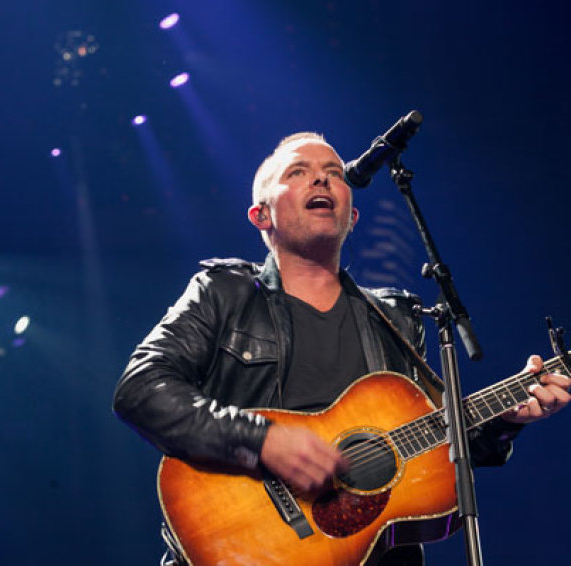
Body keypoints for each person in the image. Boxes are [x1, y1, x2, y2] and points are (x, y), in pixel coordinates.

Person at [112, 132, 571, 565]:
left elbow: (435, 446)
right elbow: (141, 389)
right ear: (261, 215)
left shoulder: (397, 318)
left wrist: (507, 419)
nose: (321, 178)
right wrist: (261, 440)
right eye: (297, 172)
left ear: (352, 217)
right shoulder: (224, 292)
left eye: (334, 172)